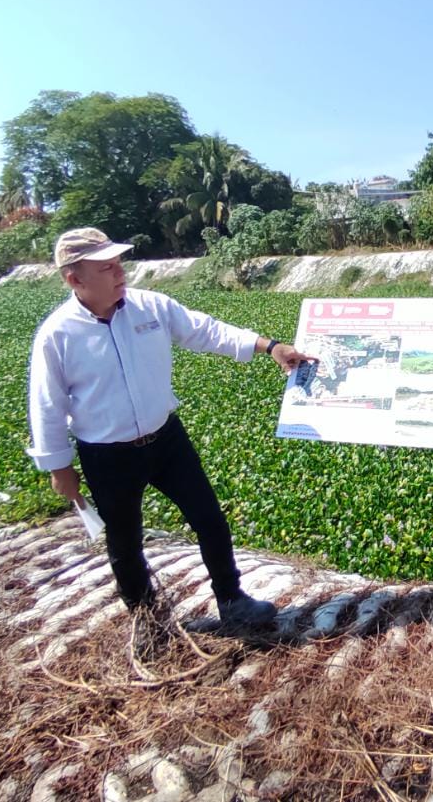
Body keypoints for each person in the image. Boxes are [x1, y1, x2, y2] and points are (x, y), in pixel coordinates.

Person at [27, 228, 312, 657]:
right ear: (75, 280)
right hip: (107, 455)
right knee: (125, 543)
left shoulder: (150, 307)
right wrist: (59, 467)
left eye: (117, 262)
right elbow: (47, 403)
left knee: (209, 518)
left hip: (165, 439)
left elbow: (204, 330)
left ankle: (232, 599)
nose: (118, 272)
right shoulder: (58, 334)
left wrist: (267, 346)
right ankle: (150, 621)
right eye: (105, 267)